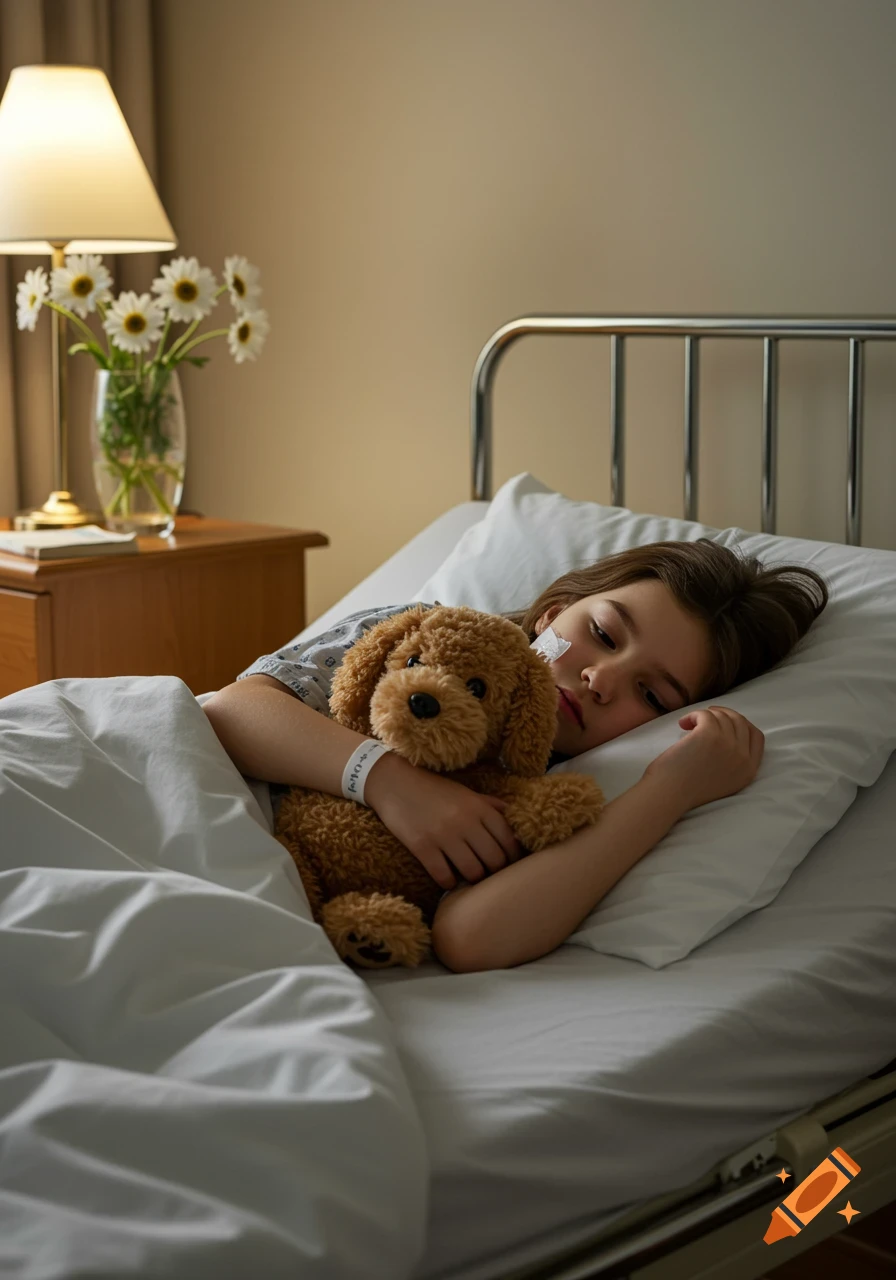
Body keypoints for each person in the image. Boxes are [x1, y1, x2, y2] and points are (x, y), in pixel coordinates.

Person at [202, 538, 828, 972]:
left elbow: (471, 938)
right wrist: (389, 781)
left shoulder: (555, 790)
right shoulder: (432, 638)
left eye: (651, 692)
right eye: (603, 635)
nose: (601, 680)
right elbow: (232, 710)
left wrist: (670, 790)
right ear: (555, 613)